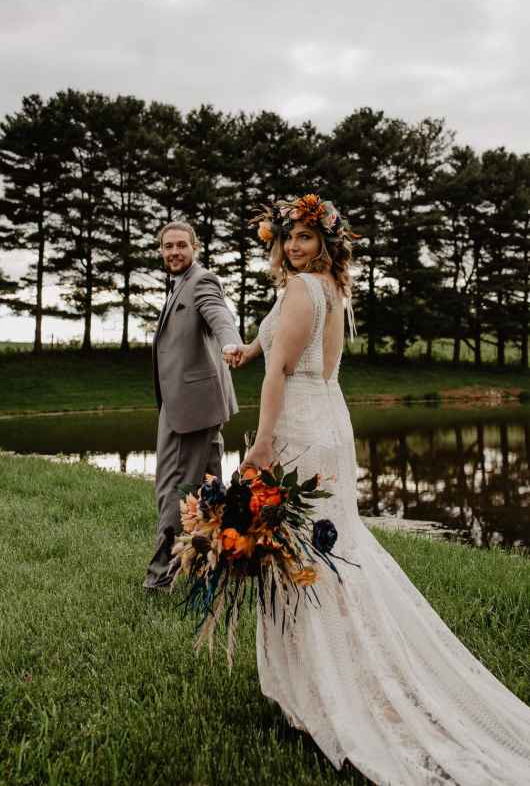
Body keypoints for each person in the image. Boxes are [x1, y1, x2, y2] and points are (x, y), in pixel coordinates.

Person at [224, 193, 530, 786]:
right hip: (330, 417)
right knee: (333, 549)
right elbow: (284, 345)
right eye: (290, 236)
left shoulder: (300, 288)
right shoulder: (329, 289)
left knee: (305, 555)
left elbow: (282, 370)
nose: (294, 246)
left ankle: (328, 686)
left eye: (306, 237)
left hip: (299, 428)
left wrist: (260, 445)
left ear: (325, 241)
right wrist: (250, 348)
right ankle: (333, 670)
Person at [144, 220, 242, 590]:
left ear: (195, 247)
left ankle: (159, 578)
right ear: (160, 250)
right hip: (192, 403)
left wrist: (231, 343)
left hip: (191, 408)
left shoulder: (201, 280)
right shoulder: (177, 283)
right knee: (210, 491)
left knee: (173, 489)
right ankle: (217, 565)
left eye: (181, 245)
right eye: (168, 246)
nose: (174, 252)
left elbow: (219, 315)